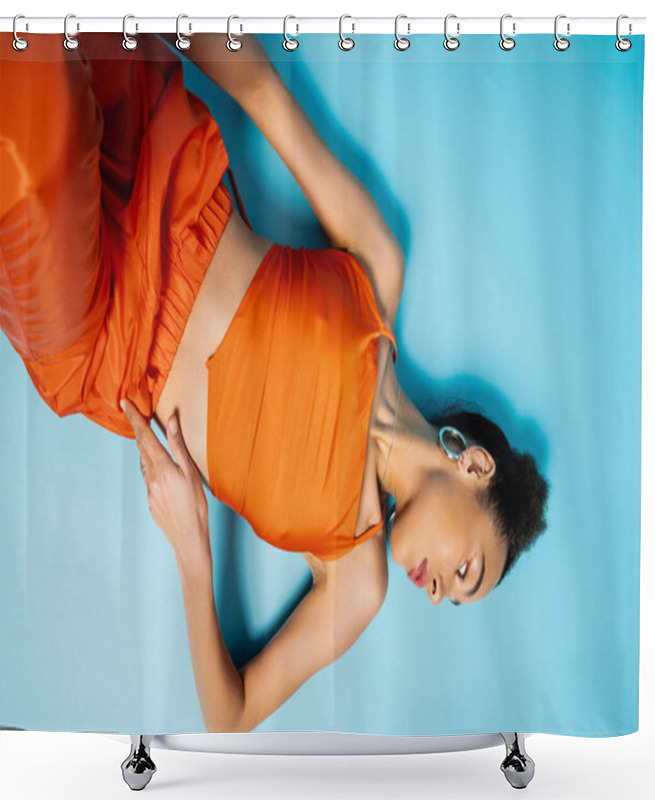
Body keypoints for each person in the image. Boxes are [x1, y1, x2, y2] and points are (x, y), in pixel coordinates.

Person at [0, 31, 549, 732]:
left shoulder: (357, 582)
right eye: (466, 572)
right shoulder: (379, 272)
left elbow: (232, 714)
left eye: (455, 597)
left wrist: (193, 550)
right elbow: (263, 93)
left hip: (96, 334)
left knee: (29, 135)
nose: (439, 596)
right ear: (475, 465)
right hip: (154, 155)